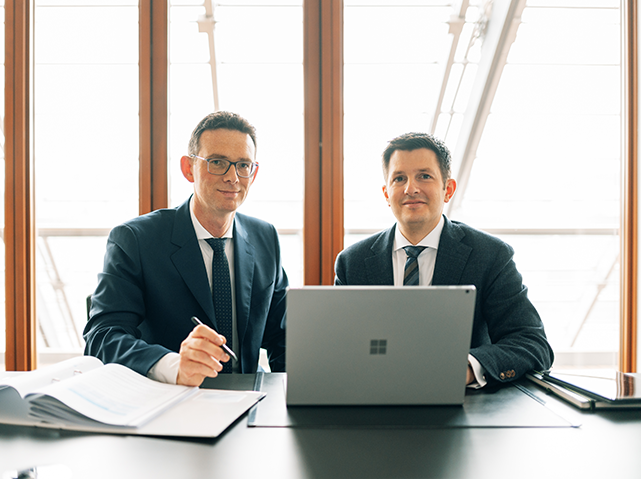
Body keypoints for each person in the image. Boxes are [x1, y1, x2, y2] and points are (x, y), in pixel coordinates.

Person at [84, 111, 287, 386]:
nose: (232, 177)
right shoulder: (135, 239)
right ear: (188, 168)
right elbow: (103, 336)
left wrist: (299, 395)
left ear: (254, 172)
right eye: (217, 162)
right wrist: (174, 365)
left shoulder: (265, 237)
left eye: (243, 165)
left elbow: (282, 336)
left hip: (249, 402)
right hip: (168, 401)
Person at [334, 132, 553, 387]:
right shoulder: (353, 262)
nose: (410, 188)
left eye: (424, 176)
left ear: (447, 189)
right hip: (373, 401)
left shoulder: (491, 255)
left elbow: (532, 343)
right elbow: (344, 346)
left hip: (464, 409)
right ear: (386, 194)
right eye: (399, 178)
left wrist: (468, 369)